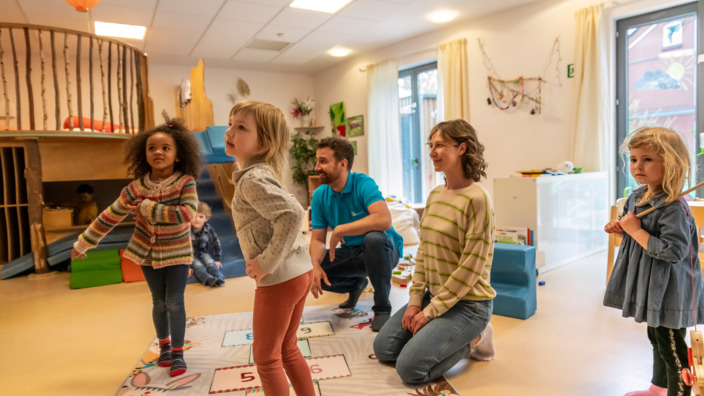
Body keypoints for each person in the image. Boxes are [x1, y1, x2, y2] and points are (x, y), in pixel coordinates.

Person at [70, 119, 200, 378]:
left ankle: (177, 354)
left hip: (177, 254)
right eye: (152, 148)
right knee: (158, 302)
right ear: (144, 153)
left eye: (165, 148)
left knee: (174, 302)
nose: (158, 152)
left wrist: (147, 208)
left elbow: (186, 214)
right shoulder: (135, 187)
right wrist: (83, 242)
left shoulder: (185, 182)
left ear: (177, 155)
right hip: (147, 254)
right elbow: (110, 215)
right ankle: (163, 348)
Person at [373, 119, 496, 384]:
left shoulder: (478, 199)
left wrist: (430, 313)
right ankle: (443, 332)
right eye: (431, 145)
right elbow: (425, 252)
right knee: (383, 349)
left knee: (410, 369)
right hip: (434, 297)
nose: (432, 152)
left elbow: (471, 268)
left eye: (439, 145)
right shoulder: (435, 195)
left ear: (462, 148)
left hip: (469, 306)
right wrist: (416, 301)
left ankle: (476, 338)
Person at [603, 127, 704, 396]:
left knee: (672, 346)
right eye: (634, 159)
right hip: (651, 288)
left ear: (670, 164)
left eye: (647, 159)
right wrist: (621, 227)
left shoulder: (673, 207)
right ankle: (658, 388)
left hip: (670, 290)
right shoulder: (637, 196)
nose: (637, 166)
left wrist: (636, 230)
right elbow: (633, 225)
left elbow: (673, 252)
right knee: (656, 338)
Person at [225, 100, 315, 396]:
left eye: (241, 127)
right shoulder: (258, 174)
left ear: (262, 142)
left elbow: (292, 214)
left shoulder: (252, 178)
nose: (230, 131)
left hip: (280, 278)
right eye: (230, 124)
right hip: (298, 271)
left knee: (266, 358)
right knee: (287, 348)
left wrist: (266, 263)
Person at [309, 137, 403, 332]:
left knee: (374, 238)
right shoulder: (320, 195)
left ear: (342, 164)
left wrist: (342, 229)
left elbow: (384, 219)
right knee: (307, 272)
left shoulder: (363, 183)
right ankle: (356, 284)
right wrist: (315, 265)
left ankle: (383, 308)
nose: (317, 167)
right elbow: (318, 240)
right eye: (317, 160)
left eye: (323, 161)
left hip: (383, 250)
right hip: (352, 253)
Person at [189, 202, 225, 287]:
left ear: (206, 218)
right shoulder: (186, 230)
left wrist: (217, 259)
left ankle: (219, 277)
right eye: (194, 216)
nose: (197, 219)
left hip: (203, 252)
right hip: (190, 255)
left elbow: (216, 242)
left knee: (210, 263)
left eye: (201, 217)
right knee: (198, 266)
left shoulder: (208, 228)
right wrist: (186, 267)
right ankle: (208, 279)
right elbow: (182, 249)